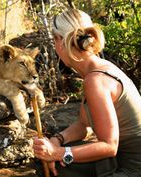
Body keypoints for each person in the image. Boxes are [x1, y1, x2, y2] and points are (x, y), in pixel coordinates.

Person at [33, 8, 141, 177]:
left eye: (54, 41)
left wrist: (57, 153)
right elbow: (84, 125)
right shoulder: (97, 70)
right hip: (118, 159)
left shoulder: (96, 80)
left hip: (131, 169)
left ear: (61, 42)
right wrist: (57, 141)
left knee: (56, 167)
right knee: (55, 165)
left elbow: (109, 146)